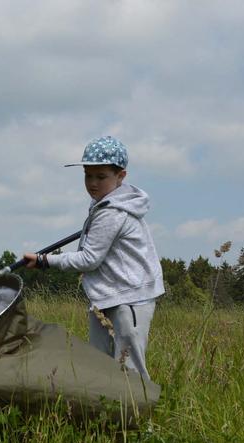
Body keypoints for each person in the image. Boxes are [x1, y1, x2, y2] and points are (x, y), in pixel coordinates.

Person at [23, 136, 163, 380]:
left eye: (101, 177)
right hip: (106, 297)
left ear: (121, 176)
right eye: (88, 175)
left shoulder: (112, 212)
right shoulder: (102, 206)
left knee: (129, 371)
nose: (93, 183)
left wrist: (45, 261)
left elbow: (89, 259)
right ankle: (105, 417)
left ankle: (137, 416)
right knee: (101, 367)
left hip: (129, 299)